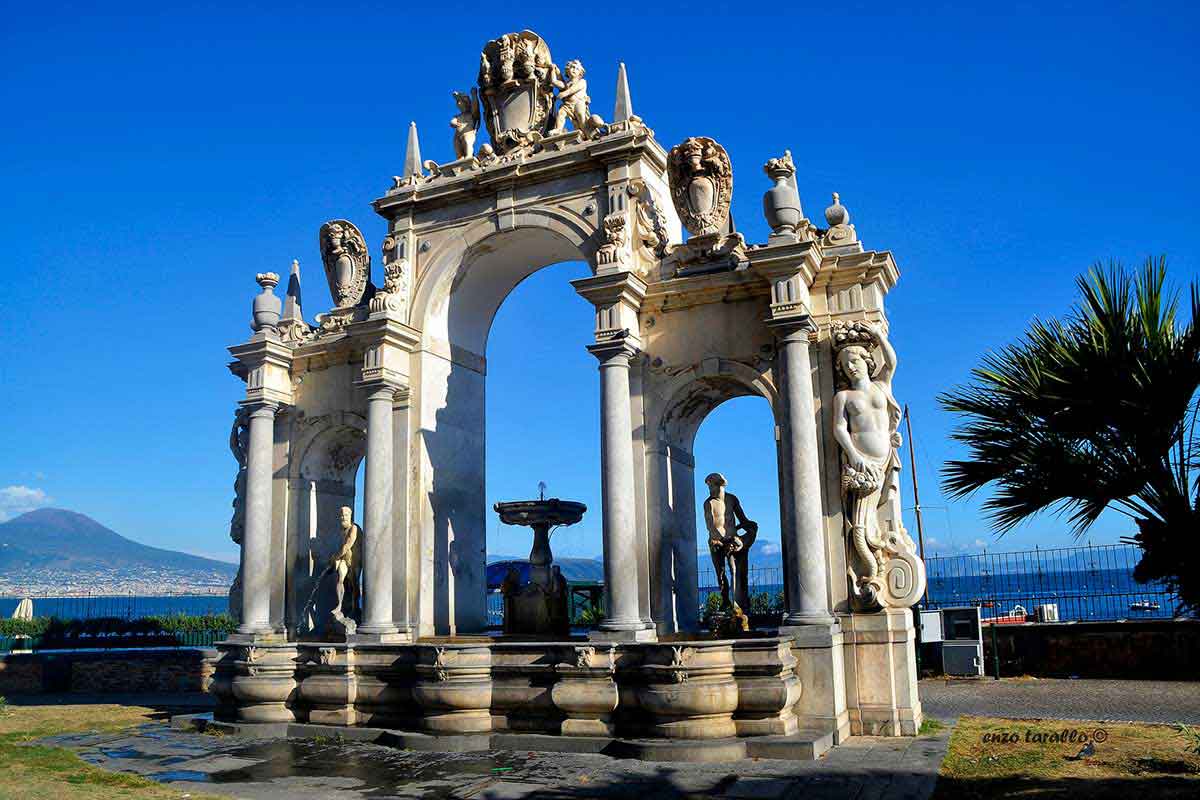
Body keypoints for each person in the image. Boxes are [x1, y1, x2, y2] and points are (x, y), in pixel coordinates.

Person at [702, 473, 758, 610]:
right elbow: (712, 527)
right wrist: (724, 541)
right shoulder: (709, 503)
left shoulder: (732, 499)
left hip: (732, 540)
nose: (710, 490)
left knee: (734, 570)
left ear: (720, 486)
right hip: (717, 542)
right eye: (709, 487)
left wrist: (750, 527)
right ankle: (726, 600)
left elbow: (743, 519)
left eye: (711, 486)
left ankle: (738, 605)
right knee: (721, 574)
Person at [330, 506, 363, 624]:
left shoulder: (354, 528)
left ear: (350, 516)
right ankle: (339, 605)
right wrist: (337, 559)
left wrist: (336, 556)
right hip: (345, 559)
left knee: (354, 584)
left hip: (356, 561)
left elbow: (348, 544)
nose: (343, 517)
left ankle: (355, 607)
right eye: (342, 515)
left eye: (346, 515)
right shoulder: (342, 531)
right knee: (340, 578)